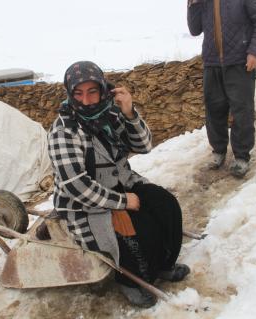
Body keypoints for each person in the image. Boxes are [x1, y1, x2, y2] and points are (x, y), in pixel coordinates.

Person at [47, 61, 190, 308]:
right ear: (70, 94)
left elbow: (144, 146)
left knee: (166, 206)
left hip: (122, 183)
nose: (87, 101)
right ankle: (130, 281)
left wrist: (130, 113)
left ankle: (164, 265)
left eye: (92, 91)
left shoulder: (110, 114)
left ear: (104, 90)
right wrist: (122, 202)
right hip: (84, 203)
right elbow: (75, 185)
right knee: (138, 233)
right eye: (79, 93)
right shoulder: (64, 132)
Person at [187, 0, 256, 177]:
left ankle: (241, 156)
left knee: (242, 111)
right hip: (212, 62)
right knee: (214, 109)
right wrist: (193, 4)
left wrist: (255, 51)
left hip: (240, 62)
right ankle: (218, 150)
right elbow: (195, 30)